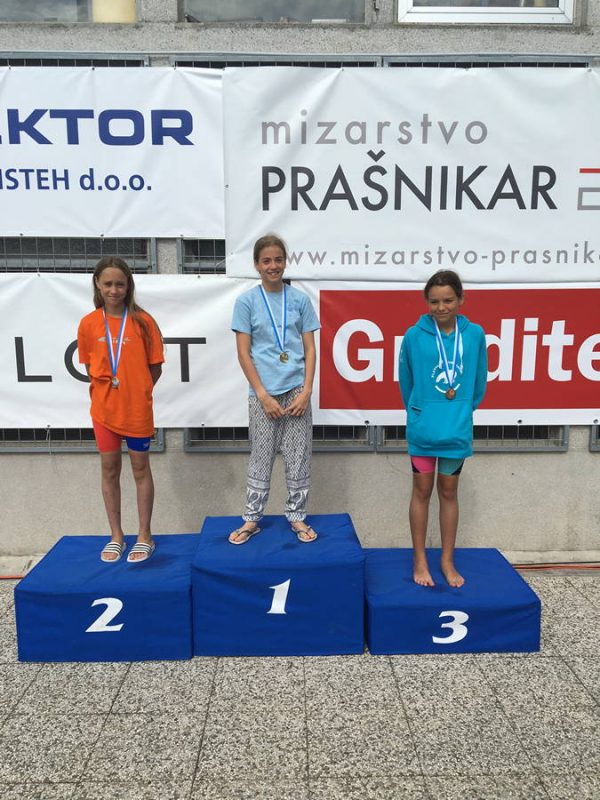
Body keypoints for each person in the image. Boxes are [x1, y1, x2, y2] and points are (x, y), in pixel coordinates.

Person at [398, 270, 487, 588]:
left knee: (449, 492)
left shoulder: (474, 334)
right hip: (423, 429)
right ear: (426, 301)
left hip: (456, 428)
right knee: (421, 491)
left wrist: (461, 409)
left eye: (448, 300)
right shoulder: (414, 335)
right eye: (434, 301)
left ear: (461, 299)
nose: (441, 307)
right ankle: (419, 559)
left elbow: (479, 381)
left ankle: (447, 561)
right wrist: (418, 411)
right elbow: (406, 381)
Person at [229, 234, 320, 544]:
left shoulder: (299, 300)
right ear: (256, 264)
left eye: (278, 260)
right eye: (266, 261)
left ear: (285, 262)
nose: (273, 266)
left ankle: (297, 516)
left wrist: (306, 391)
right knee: (261, 454)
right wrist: (262, 394)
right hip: (263, 392)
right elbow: (243, 353)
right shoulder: (246, 302)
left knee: (298, 454)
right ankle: (251, 518)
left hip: (296, 390)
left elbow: (310, 349)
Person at [77, 256, 164, 563]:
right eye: (108, 284)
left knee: (141, 469)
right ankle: (116, 535)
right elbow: (90, 367)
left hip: (137, 411)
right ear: (97, 285)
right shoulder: (88, 323)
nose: (114, 290)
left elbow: (155, 368)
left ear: (129, 286)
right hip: (104, 412)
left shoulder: (144, 322)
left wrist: (136, 391)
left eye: (120, 284)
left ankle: (144, 535)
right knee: (110, 470)